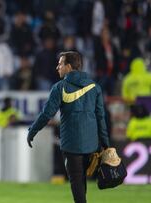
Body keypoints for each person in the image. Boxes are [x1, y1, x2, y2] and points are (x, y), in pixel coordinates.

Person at [27, 51, 110, 203]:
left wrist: (32, 131)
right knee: (81, 183)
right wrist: (106, 144)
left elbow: (47, 114)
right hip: (92, 145)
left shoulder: (60, 87)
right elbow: (101, 118)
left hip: (71, 145)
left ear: (69, 67)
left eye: (60, 64)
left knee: (77, 184)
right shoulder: (95, 87)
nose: (57, 67)